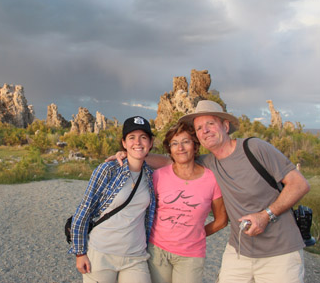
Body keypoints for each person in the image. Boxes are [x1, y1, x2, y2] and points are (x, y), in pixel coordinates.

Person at [111, 100, 310, 283]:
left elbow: (299, 184)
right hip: (239, 251)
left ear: (225, 126)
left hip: (280, 252)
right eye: (199, 128)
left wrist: (266, 215)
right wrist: (130, 155)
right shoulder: (208, 164)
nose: (205, 130)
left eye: (210, 124)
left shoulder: (255, 148)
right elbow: (170, 161)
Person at [69, 116, 156, 283]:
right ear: (124, 143)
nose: (137, 142)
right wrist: (80, 253)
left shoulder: (151, 176)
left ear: (150, 143)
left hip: (135, 256)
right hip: (101, 254)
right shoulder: (108, 170)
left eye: (143, 137)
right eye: (132, 137)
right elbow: (85, 208)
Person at [148, 121, 228, 283]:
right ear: (169, 149)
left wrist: (197, 234)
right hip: (157, 251)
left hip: (191, 256)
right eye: (175, 144)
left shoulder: (211, 179)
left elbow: (221, 220)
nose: (180, 148)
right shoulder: (158, 176)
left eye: (186, 142)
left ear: (195, 146)